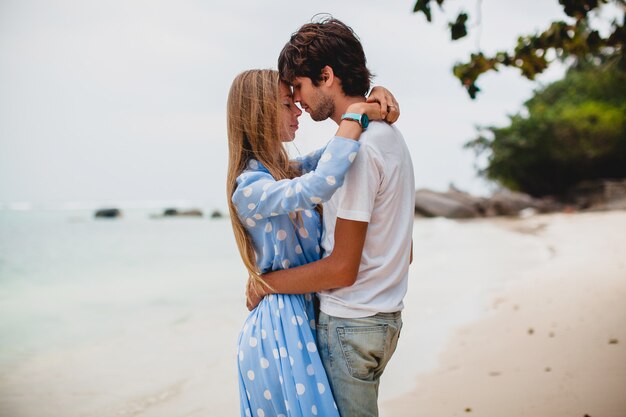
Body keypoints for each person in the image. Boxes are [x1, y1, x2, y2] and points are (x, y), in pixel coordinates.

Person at [246, 17, 416, 417]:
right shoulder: (388, 136)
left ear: (326, 76)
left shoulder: (358, 154)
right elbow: (404, 253)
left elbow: (342, 269)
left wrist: (265, 283)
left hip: (351, 326)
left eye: (300, 88)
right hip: (384, 319)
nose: (299, 102)